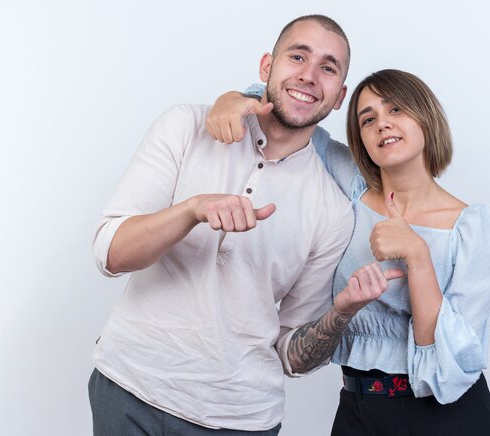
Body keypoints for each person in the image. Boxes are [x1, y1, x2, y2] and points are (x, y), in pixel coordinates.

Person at [89, 15, 402, 436]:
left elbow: (293, 356)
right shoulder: (186, 126)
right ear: (265, 67)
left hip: (239, 419)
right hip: (128, 387)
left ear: (340, 95)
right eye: (297, 56)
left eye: (328, 68)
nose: (309, 76)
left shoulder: (333, 208)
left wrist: (341, 313)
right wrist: (190, 211)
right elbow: (110, 254)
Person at [207, 69, 490, 435]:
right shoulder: (351, 184)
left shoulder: (475, 229)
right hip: (357, 408)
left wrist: (417, 255)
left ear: (425, 117)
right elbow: (294, 120)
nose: (382, 124)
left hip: (444, 415)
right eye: (368, 119)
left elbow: (447, 366)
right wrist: (239, 97)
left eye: (396, 110)